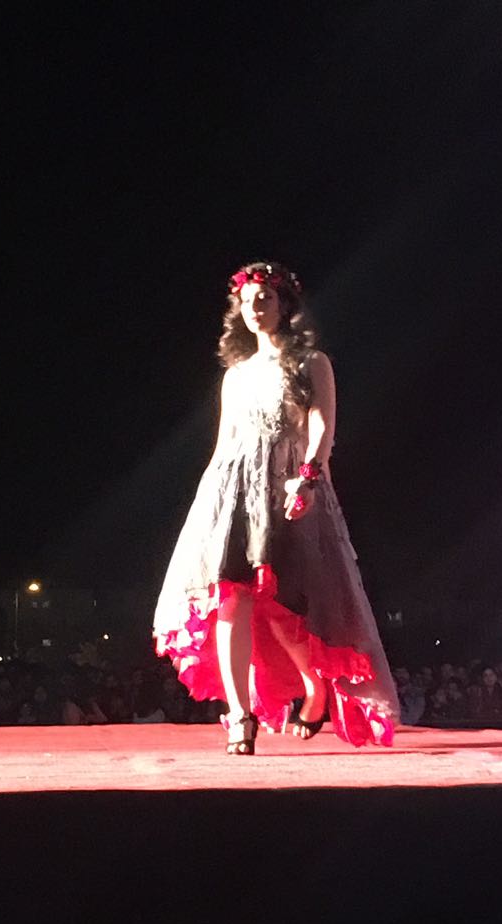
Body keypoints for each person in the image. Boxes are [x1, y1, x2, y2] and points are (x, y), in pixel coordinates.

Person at [153, 260, 398, 753]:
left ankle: (314, 689)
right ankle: (239, 716)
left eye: (264, 298)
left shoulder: (311, 362)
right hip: (234, 491)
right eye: (246, 301)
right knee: (230, 597)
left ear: (286, 304)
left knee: (288, 606)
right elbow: (225, 443)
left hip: (289, 486)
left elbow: (322, 426)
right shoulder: (236, 375)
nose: (254, 308)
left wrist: (307, 478)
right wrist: (208, 505)